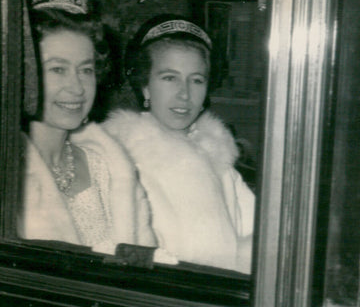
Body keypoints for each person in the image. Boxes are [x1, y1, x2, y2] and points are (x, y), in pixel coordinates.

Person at [103, 15, 255, 273]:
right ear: (145, 87)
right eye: (169, 78)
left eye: (196, 80)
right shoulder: (119, 160)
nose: (184, 94)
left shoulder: (218, 158)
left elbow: (258, 235)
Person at [19, 0, 158, 254]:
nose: (77, 87)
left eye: (86, 70)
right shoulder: (3, 176)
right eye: (58, 69)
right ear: (26, 74)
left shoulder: (110, 168)